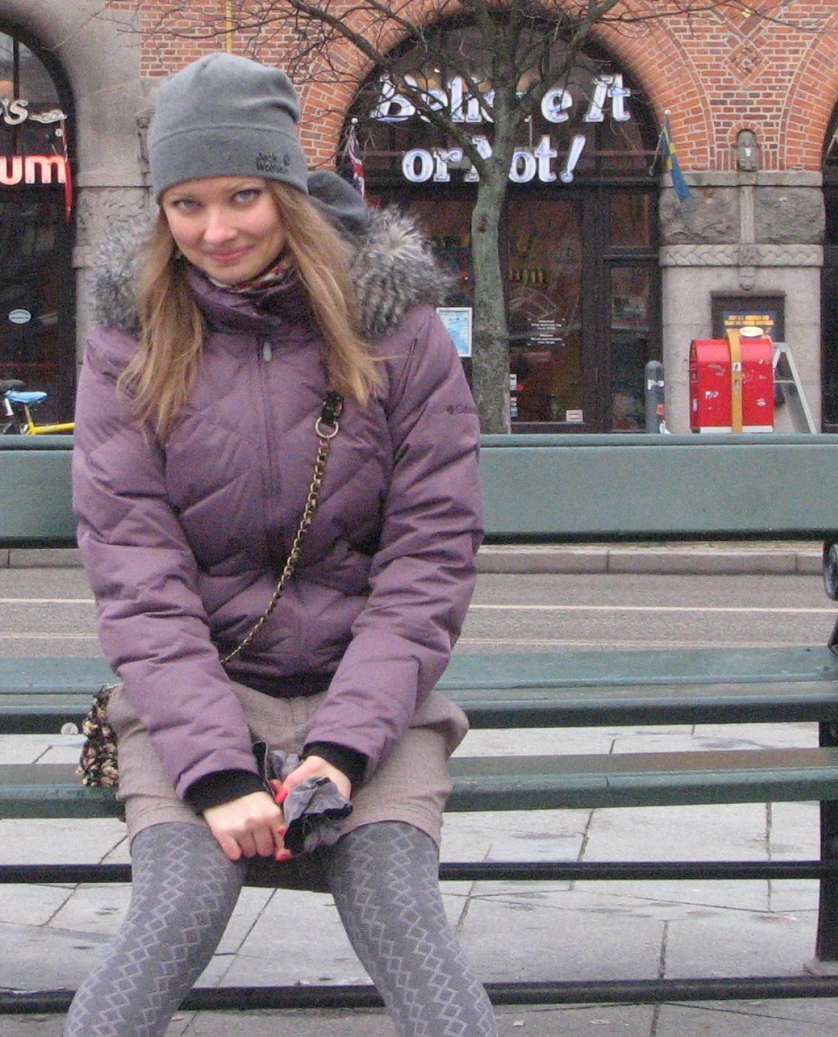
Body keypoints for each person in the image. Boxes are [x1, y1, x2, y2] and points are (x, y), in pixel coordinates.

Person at [69, 52, 493, 1037]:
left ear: (288, 194)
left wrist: (342, 750)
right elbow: (136, 575)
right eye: (186, 205)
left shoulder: (397, 331)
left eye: (242, 197)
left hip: (368, 695)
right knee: (171, 916)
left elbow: (428, 561)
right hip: (198, 693)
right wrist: (217, 773)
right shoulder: (128, 340)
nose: (215, 230)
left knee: (408, 924)